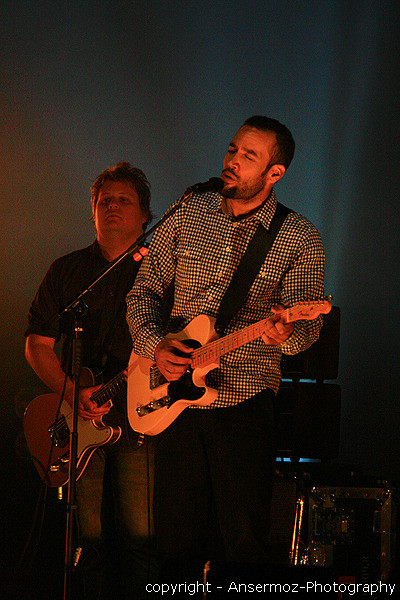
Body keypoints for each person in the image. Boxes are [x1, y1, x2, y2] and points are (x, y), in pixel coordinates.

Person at [126, 116, 325, 593]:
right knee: (174, 548)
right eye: (233, 149)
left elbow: (307, 327)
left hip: (243, 403)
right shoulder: (189, 211)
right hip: (174, 400)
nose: (232, 161)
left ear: (274, 173)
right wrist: (157, 346)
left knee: (243, 548)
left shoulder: (298, 236)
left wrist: (286, 336)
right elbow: (143, 292)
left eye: (248, 156)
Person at [25, 162, 157, 600]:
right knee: (86, 544)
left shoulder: (163, 273)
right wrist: (71, 389)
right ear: (93, 212)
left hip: (143, 420)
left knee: (141, 542)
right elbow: (38, 343)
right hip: (80, 422)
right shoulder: (67, 271)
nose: (113, 207)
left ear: (145, 215)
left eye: (125, 200)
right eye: (105, 201)